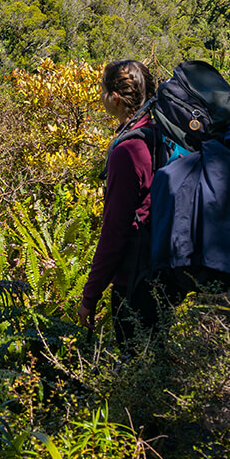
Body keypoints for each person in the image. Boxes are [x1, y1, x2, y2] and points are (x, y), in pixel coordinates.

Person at [77, 59, 160, 347]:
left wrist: (90, 295)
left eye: (101, 90)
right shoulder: (157, 132)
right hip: (162, 269)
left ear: (114, 98)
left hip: (135, 280)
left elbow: (115, 231)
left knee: (134, 362)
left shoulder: (127, 150)